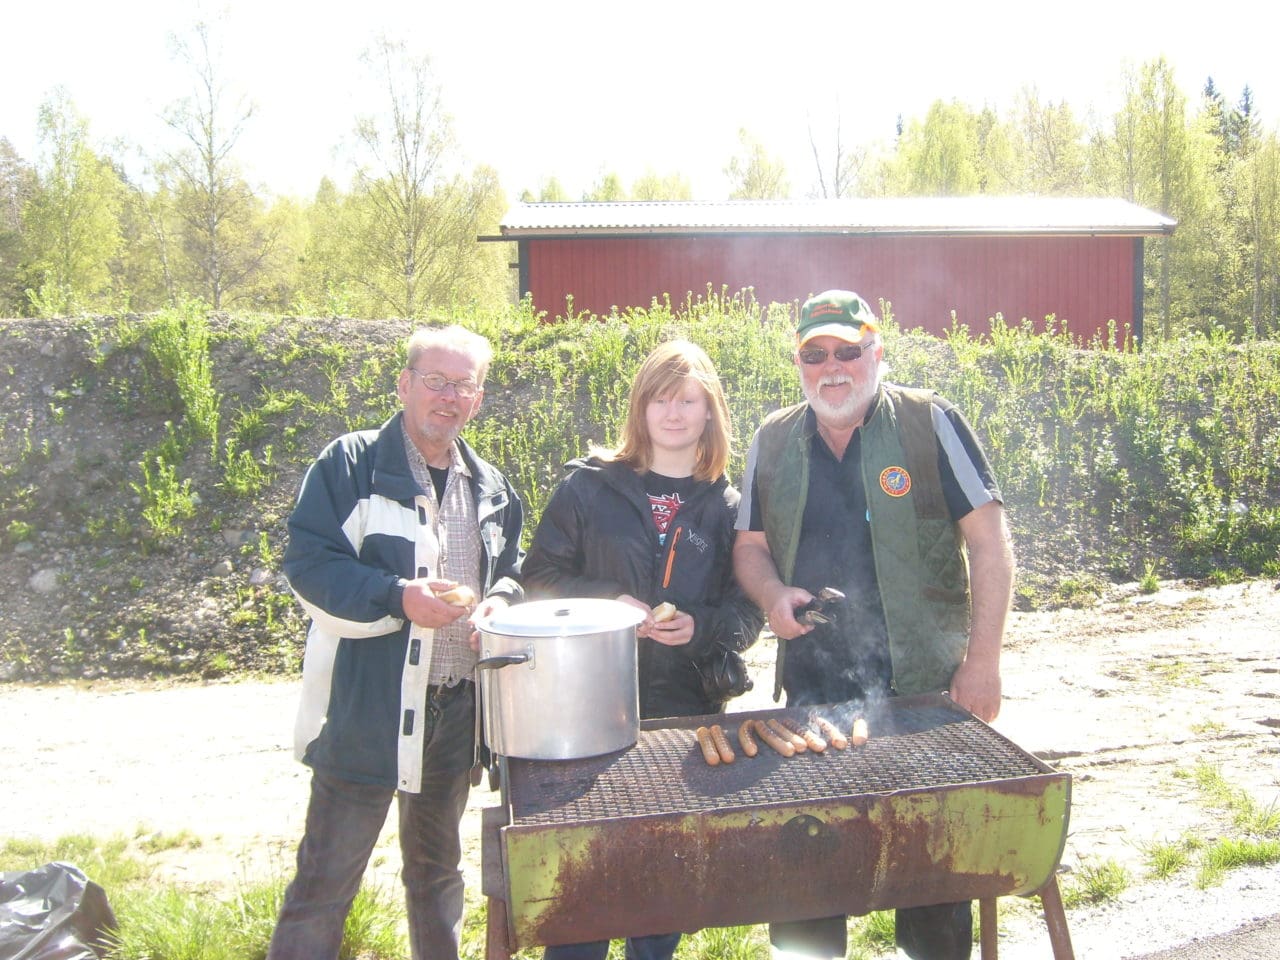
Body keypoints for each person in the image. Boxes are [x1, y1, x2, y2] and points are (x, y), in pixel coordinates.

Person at [732, 290, 1015, 960]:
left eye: (847, 351)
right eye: (815, 353)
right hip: (813, 692)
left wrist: (983, 663)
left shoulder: (929, 421)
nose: (832, 367)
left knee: (930, 870)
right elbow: (750, 548)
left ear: (876, 352)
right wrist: (773, 597)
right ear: (799, 362)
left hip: (927, 686)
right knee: (809, 870)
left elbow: (989, 542)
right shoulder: (772, 439)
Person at [266, 325, 525, 960]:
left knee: (437, 877)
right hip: (366, 708)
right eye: (435, 381)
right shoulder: (350, 466)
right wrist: (397, 597)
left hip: (456, 710)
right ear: (405, 384)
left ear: (479, 399)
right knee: (326, 883)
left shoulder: (490, 486)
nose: (448, 396)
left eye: (463, 384)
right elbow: (310, 564)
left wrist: (501, 601)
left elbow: (516, 568)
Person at [522, 338, 765, 960]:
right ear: (640, 408)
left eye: (688, 399)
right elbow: (537, 578)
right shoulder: (589, 486)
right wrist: (607, 604)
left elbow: (746, 612)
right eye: (661, 398)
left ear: (710, 412)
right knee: (584, 867)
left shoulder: (730, 506)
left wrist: (701, 628)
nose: (674, 412)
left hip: (685, 710)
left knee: (663, 867)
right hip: (585, 705)